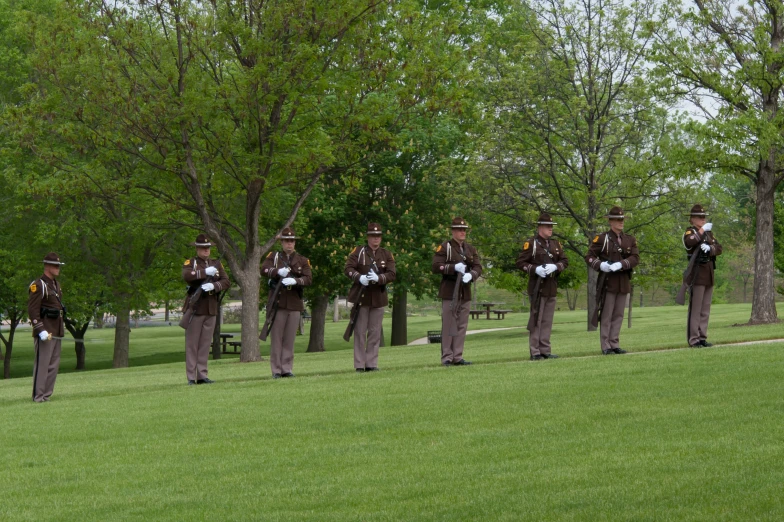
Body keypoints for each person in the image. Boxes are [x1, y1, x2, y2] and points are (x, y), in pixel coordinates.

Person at [585, 206, 639, 355]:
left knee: (619, 315)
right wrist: (600, 265)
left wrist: (621, 264)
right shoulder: (602, 239)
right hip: (608, 282)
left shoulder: (630, 239)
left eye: (622, 219)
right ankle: (606, 345)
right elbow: (589, 256)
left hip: (623, 281)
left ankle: (615, 343)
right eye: (618, 219)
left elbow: (635, 258)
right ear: (610, 221)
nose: (621, 222)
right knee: (607, 314)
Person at [516, 212, 569, 360]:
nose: (550, 229)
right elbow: (520, 263)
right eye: (547, 226)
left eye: (551, 226)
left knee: (547, 321)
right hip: (537, 287)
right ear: (540, 227)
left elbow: (565, 261)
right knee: (536, 320)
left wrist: (556, 267)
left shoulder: (556, 244)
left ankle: (545, 350)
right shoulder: (531, 244)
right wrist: (535, 269)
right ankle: (535, 351)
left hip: (551, 286)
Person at [260, 227, 312, 378]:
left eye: (292, 241)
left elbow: (308, 279)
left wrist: (295, 280)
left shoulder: (302, 260)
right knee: (277, 338)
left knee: (290, 338)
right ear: (282, 242)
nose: (289, 243)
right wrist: (277, 272)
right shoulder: (274, 257)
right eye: (286, 241)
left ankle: (287, 368)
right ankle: (276, 370)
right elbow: (263, 270)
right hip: (278, 302)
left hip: (294, 302)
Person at [344, 223, 396, 372]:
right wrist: (359, 277)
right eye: (373, 236)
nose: (376, 239)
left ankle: (372, 363)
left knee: (374, 332)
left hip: (378, 297)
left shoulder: (386, 254)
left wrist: (379, 278)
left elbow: (392, 274)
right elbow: (348, 268)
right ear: (368, 237)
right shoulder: (359, 252)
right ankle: (359, 364)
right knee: (360, 332)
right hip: (361, 297)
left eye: (378, 236)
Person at [431, 217, 483, 366]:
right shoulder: (445, 247)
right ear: (453, 231)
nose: (462, 232)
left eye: (464, 230)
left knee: (461, 325)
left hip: (464, 291)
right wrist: (453, 268)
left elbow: (478, 267)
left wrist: (471, 275)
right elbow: (436, 266)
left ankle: (458, 356)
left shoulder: (470, 249)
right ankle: (447, 357)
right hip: (450, 291)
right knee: (449, 325)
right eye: (460, 229)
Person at [182, 234, 229, 385]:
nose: (206, 250)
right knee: (192, 344)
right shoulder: (192, 263)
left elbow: (226, 281)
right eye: (203, 248)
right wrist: (203, 273)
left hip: (211, 308)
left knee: (204, 344)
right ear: (197, 248)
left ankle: (202, 375)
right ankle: (191, 377)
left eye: (208, 248)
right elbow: (187, 275)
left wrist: (214, 286)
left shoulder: (216, 264)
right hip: (196, 307)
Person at [27, 252, 66, 402]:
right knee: (43, 365)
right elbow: (33, 310)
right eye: (56, 266)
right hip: (45, 331)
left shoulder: (56, 284)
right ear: (47, 266)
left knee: (53, 365)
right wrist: (40, 330)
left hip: (56, 330)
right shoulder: (38, 285)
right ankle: (38, 396)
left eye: (58, 266)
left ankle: (47, 395)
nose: (58, 269)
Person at [683, 204, 722, 347]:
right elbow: (689, 242)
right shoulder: (690, 232)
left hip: (709, 273)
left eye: (704, 217)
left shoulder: (709, 233)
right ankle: (693, 339)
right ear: (692, 219)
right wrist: (701, 231)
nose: (703, 219)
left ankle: (702, 337)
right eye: (700, 217)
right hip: (697, 274)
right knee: (696, 308)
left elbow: (719, 248)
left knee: (705, 308)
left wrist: (710, 248)